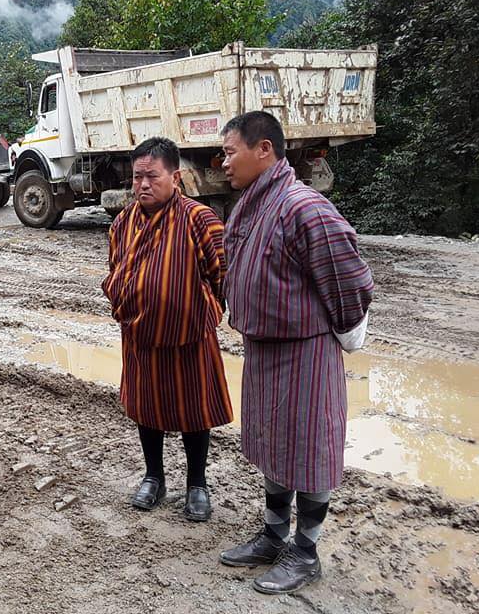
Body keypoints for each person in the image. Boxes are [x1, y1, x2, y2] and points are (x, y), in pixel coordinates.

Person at [218, 111, 374, 594]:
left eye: (229, 152)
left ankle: (305, 553)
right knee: (272, 445)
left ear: (263, 150)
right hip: (265, 349)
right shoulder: (252, 203)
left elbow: (350, 278)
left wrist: (349, 332)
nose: (223, 163)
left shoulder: (304, 206)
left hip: (305, 353)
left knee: (308, 451)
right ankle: (272, 534)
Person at [102, 137, 233, 521]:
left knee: (194, 409)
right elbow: (116, 270)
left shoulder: (200, 219)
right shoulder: (124, 222)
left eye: (152, 177)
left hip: (190, 336)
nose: (142, 185)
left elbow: (222, 276)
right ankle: (154, 476)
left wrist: (199, 310)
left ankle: (197, 484)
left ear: (175, 177)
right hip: (140, 335)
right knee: (147, 407)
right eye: (137, 176)